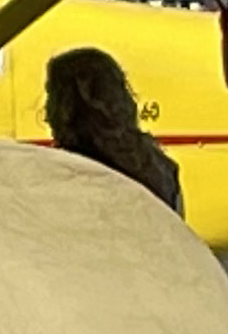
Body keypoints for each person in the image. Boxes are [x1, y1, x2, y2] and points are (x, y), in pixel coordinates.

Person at [41, 47, 181, 213]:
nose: (46, 114)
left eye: (51, 98)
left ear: (66, 108)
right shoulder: (161, 168)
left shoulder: (61, 177)